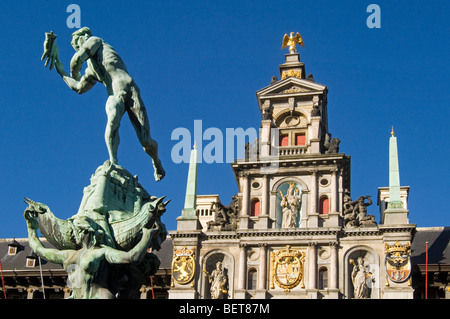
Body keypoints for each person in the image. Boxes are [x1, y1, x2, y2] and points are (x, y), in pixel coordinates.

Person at [41, 27, 165, 181]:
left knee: (146, 141)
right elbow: (78, 88)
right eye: (75, 47)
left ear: (84, 36)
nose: (77, 48)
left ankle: (156, 162)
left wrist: (73, 69)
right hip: (114, 94)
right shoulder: (92, 71)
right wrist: (60, 68)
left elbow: (76, 61)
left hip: (129, 88)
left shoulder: (96, 41)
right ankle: (114, 162)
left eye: (77, 44)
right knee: (112, 119)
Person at [24, 206, 160, 299]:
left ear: (89, 232)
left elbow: (131, 257)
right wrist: (31, 227)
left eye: (79, 230)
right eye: (76, 230)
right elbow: (39, 250)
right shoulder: (69, 254)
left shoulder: (101, 252)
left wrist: (146, 236)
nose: (76, 233)